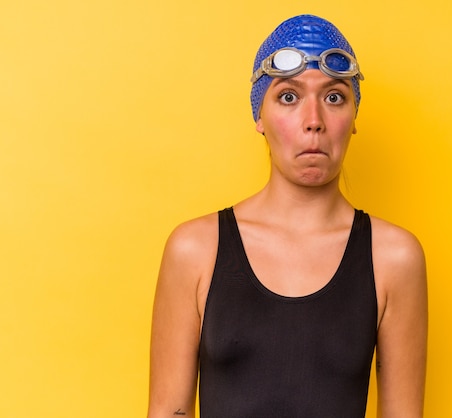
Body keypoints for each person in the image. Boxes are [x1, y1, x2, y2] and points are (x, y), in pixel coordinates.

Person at [148, 14, 427, 418]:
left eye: (334, 97)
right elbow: (168, 411)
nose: (313, 121)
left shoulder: (393, 258)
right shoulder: (195, 250)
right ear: (259, 116)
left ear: (353, 119)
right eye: (289, 97)